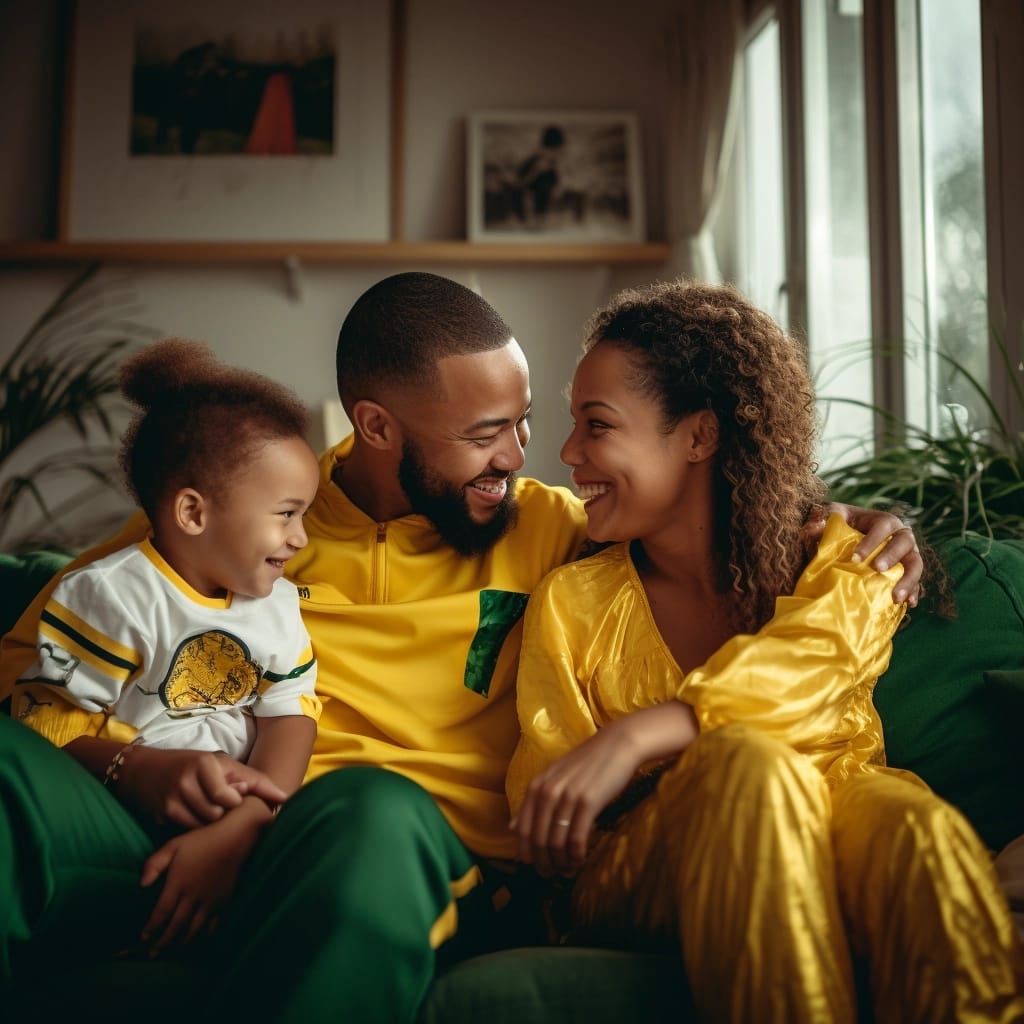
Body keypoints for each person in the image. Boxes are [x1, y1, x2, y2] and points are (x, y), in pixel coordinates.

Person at [0, 273, 924, 1023]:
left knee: (371, 813)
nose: (522, 456)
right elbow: (32, 669)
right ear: (375, 427)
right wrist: (135, 772)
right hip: (178, 827)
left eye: (524, 422)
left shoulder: (558, 533)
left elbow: (703, 518)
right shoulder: (239, 516)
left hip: (386, 845)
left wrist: (845, 523)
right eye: (485, 435)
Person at [505, 278, 1024, 1022]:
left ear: (699, 436)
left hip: (838, 806)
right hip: (638, 865)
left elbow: (817, 661)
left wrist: (645, 733)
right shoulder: (575, 601)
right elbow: (552, 820)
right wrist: (674, 776)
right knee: (748, 768)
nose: (566, 452)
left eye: (597, 425)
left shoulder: (851, 558)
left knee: (919, 830)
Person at [11, 337, 321, 955]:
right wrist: (143, 771)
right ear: (192, 512)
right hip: (120, 807)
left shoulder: (277, 605)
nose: (301, 538)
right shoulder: (110, 596)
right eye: (286, 514)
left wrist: (250, 817)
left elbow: (290, 713)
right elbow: (46, 727)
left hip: (238, 825)